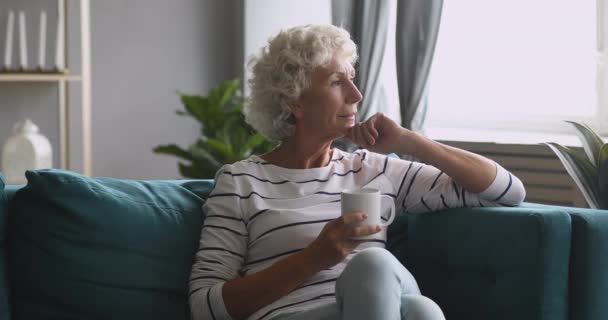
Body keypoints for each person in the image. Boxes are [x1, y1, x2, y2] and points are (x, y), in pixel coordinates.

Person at [189, 24, 525, 320]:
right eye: (338, 82)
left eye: (352, 79)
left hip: (372, 306)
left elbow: (506, 189)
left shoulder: (372, 169)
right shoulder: (241, 182)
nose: (357, 94)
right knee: (415, 305)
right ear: (295, 102)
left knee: (386, 276)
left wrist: (410, 141)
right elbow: (205, 306)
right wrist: (314, 258)